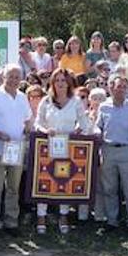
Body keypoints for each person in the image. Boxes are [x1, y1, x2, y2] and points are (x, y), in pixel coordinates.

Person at [35, 68, 92, 232]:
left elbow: (84, 123)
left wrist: (79, 131)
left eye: (63, 80)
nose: (60, 83)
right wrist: (46, 131)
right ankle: (41, 216)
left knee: (65, 179)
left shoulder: (76, 102)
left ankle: (63, 215)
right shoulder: (46, 101)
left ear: (69, 83)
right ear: (52, 82)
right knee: (44, 180)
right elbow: (38, 123)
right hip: (47, 146)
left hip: (69, 146)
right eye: (57, 80)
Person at [0, 64, 32, 237]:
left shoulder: (22, 97)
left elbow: (28, 119)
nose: (13, 80)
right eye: (10, 76)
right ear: (3, 77)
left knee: (13, 187)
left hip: (15, 148)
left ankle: (11, 222)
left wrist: (26, 131)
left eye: (17, 77)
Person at [97, 74, 128, 231]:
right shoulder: (103, 107)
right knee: (109, 188)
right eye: (119, 86)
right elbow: (99, 128)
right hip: (108, 150)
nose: (122, 90)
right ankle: (112, 220)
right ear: (111, 88)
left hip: (127, 151)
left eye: (125, 87)